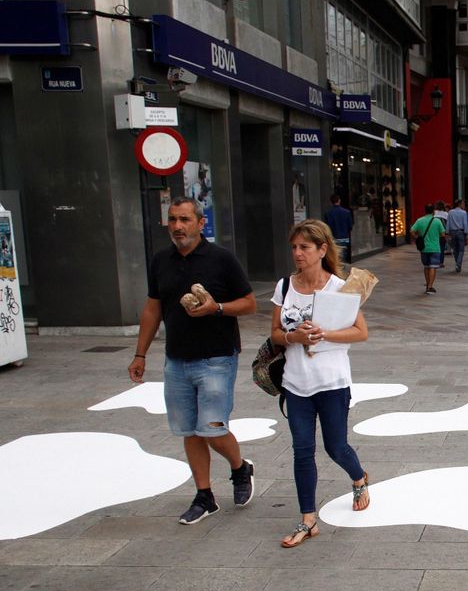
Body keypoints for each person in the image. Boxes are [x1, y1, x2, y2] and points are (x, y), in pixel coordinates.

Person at [129, 197, 259, 525]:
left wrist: (216, 308)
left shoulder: (222, 259)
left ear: (201, 224)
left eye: (184, 219)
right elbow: (152, 309)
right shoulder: (161, 261)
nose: (177, 227)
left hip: (217, 357)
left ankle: (240, 468)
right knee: (190, 431)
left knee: (213, 429)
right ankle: (205, 495)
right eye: (172, 220)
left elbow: (249, 304)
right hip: (177, 361)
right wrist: (140, 354)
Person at [268, 219, 370, 548]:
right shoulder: (285, 286)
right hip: (296, 383)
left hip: (332, 382)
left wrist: (324, 334)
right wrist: (292, 336)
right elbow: (274, 334)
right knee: (302, 451)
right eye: (294, 247)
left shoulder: (340, 289)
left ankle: (359, 477)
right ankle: (307, 519)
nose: (297, 253)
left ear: (322, 250)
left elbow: (360, 332)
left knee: (336, 446)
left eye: (305, 248)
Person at [411, 202, 447, 295]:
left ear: (425, 210)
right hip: (435, 247)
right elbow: (443, 234)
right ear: (433, 212)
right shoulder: (437, 221)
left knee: (426, 267)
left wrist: (417, 237)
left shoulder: (419, 220)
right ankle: (430, 287)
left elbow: (412, 231)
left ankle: (427, 285)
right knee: (433, 267)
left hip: (424, 248)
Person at [325, 194, 353, 263]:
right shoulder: (347, 212)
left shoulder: (328, 213)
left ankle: (337, 268)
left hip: (333, 237)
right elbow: (350, 226)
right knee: (343, 255)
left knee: (335, 255)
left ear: (331, 202)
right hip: (344, 237)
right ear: (339, 201)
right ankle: (341, 268)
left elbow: (327, 227)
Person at [445, 198, 468, 273]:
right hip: (460, 232)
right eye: (463, 204)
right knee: (461, 249)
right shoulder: (464, 213)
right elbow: (465, 224)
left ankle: (457, 264)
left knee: (455, 249)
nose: (464, 205)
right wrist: (466, 234)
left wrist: (447, 232)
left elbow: (448, 223)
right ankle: (458, 264)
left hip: (452, 232)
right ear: (460, 204)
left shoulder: (451, 212)